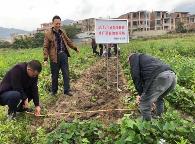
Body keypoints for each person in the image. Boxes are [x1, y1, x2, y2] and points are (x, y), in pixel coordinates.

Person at [128, 53, 176, 121]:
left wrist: (142, 96)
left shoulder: (133, 58)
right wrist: (145, 94)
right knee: (159, 97)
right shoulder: (147, 59)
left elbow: (136, 77)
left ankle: (147, 125)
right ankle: (159, 118)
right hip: (172, 76)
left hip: (161, 77)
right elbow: (147, 81)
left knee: (144, 104)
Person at [43, 15, 79, 96]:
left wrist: (75, 48)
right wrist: (45, 59)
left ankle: (67, 90)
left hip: (63, 55)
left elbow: (68, 41)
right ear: (53, 23)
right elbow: (45, 47)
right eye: (56, 24)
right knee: (55, 75)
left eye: (59, 23)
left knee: (66, 73)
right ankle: (54, 91)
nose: (58, 25)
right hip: (54, 57)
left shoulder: (62, 32)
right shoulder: (48, 34)